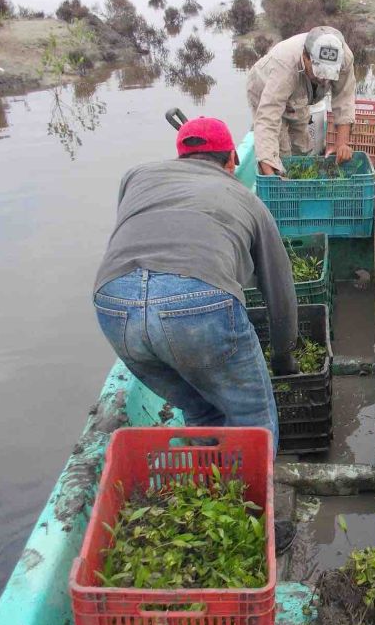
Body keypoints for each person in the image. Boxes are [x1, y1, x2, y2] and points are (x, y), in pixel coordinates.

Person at [92, 116, 299, 450]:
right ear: (232, 159)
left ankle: (211, 481)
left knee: (200, 407)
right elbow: (281, 294)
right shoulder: (249, 202)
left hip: (114, 304)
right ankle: (251, 497)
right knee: (252, 418)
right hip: (196, 304)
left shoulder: (136, 176)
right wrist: (282, 359)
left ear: (179, 157)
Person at [247, 25, 357, 176]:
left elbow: (344, 98)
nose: (323, 79)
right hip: (265, 87)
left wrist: (342, 143)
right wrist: (269, 169)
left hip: (301, 94)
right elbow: (268, 119)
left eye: (327, 74)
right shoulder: (285, 66)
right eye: (318, 73)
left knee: (302, 146)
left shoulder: (344, 58)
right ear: (305, 57)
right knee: (281, 153)